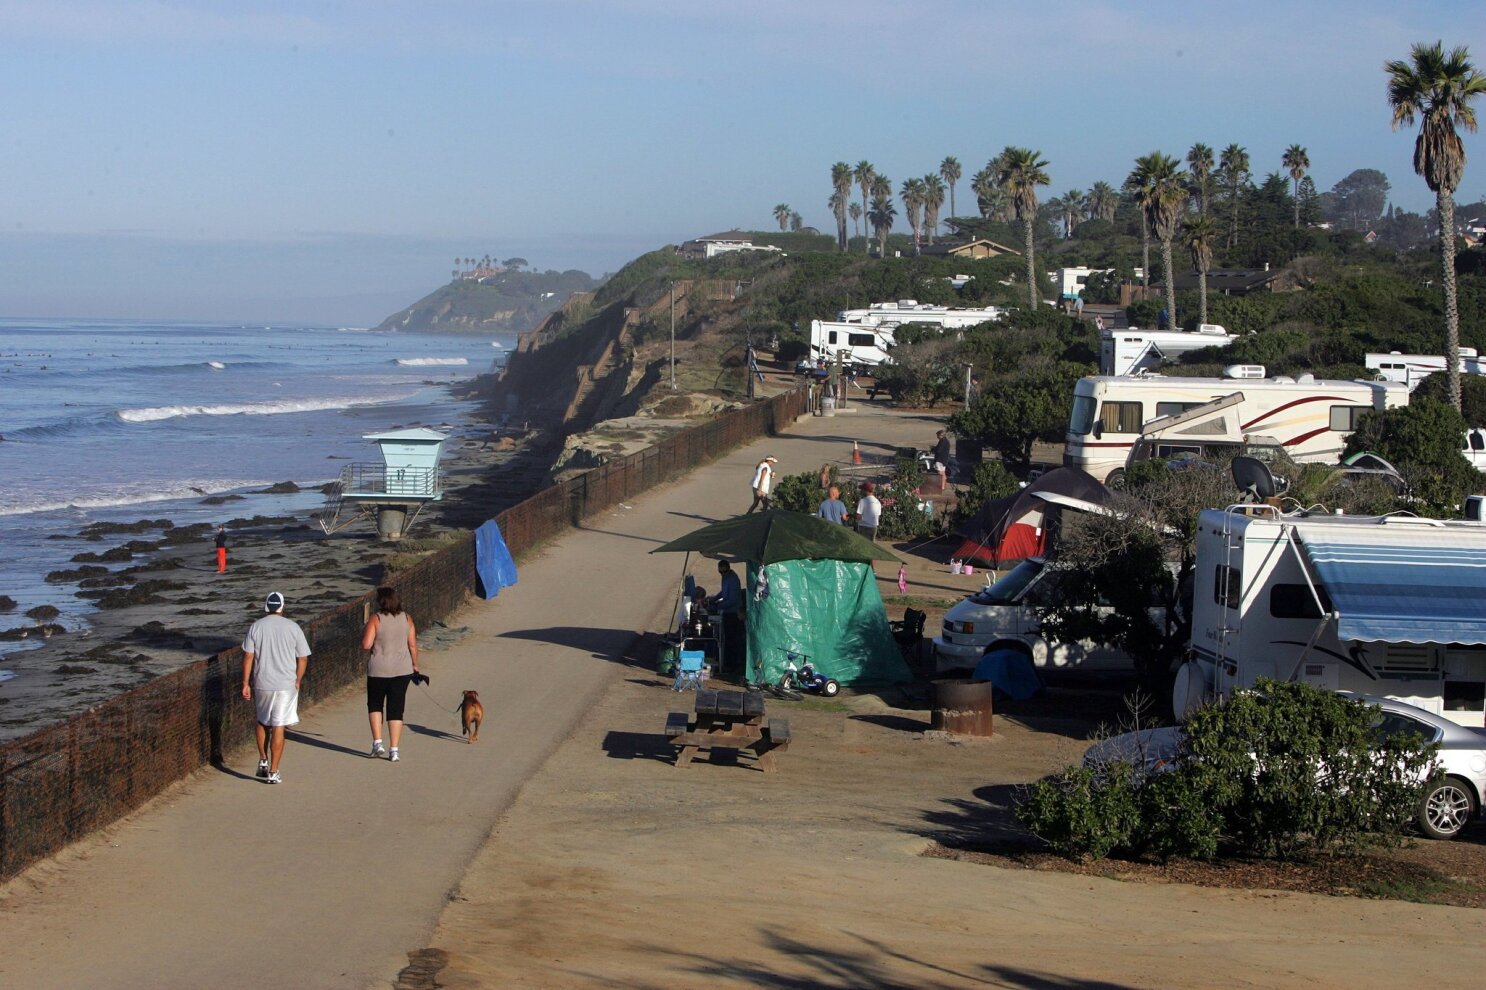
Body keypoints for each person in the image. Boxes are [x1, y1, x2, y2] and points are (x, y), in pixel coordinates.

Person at [241, 591, 311, 784]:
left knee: (263, 721)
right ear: (282, 607)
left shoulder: (256, 627)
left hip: (262, 682)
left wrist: (245, 683)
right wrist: (298, 679)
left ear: (266, 607)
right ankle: (274, 771)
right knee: (279, 725)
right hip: (285, 685)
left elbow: (248, 656)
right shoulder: (293, 627)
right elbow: (303, 657)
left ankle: (263, 759)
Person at [360, 585, 419, 762]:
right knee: (396, 709)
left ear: (381, 601)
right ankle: (395, 750)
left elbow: (366, 645)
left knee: (375, 705)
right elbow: (413, 645)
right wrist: (415, 665)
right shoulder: (407, 618)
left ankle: (377, 743)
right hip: (402, 670)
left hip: (379, 669)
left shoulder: (376, 619)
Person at [710, 560, 743, 674]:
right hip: (727, 611)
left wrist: (718, 605)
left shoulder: (733, 579)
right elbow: (723, 593)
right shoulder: (725, 577)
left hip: (733, 613)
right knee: (727, 640)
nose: (722, 574)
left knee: (731, 641)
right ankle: (728, 663)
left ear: (728, 569)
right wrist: (713, 599)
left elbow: (732, 600)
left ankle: (733, 666)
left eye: (724, 572)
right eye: (720, 572)